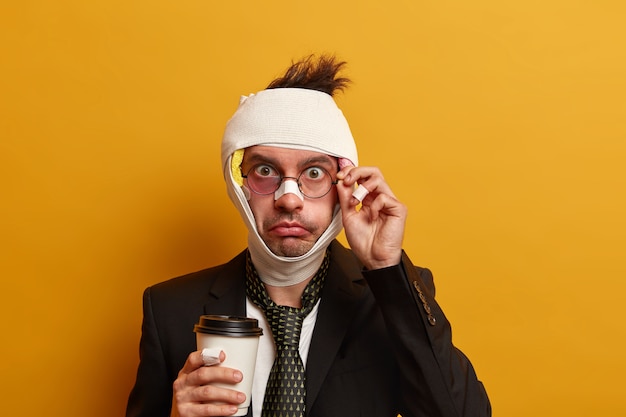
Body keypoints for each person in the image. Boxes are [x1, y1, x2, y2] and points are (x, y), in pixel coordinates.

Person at [126, 54, 491, 417]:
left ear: (344, 185)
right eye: (265, 170)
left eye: (314, 173)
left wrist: (384, 266)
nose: (289, 198)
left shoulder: (389, 302)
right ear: (240, 187)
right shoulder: (170, 310)